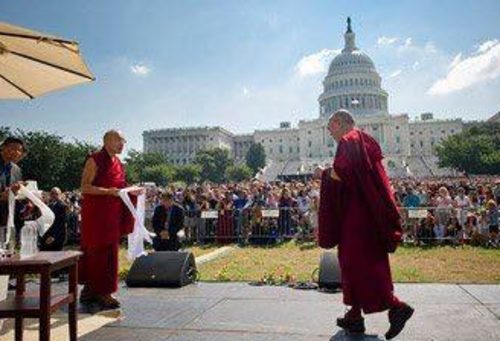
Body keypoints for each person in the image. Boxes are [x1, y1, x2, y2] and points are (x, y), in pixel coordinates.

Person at [317, 110, 414, 339]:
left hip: (358, 217)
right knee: (356, 262)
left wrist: (323, 173)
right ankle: (355, 317)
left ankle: (396, 306)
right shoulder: (365, 140)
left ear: (339, 123)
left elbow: (344, 174)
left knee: (358, 264)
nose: (329, 131)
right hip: (367, 213)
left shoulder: (348, 141)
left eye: (331, 126)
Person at [79, 130, 140, 310]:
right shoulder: (95, 159)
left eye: (124, 141)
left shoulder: (118, 162)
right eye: (119, 140)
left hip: (111, 215)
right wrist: (108, 192)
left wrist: (133, 191)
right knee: (96, 251)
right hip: (96, 215)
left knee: (109, 252)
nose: (123, 144)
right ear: (107, 141)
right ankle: (102, 292)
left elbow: (120, 187)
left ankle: (92, 290)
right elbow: (84, 187)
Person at [0, 137, 25, 246]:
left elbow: (14, 194)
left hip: (7, 222)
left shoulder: (17, 170)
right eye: (13, 149)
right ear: (3, 148)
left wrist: (27, 201)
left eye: (20, 150)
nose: (17, 153)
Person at [39, 187, 67, 251]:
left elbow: (61, 224)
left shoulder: (62, 206)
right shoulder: (49, 205)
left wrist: (54, 236)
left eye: (56, 194)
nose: (53, 195)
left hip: (56, 236)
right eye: (52, 193)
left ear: (60, 195)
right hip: (47, 235)